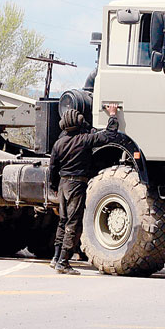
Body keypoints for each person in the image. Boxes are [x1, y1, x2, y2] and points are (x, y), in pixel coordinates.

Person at [48, 103, 122, 275]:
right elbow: (110, 135)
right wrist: (112, 115)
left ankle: (56, 257)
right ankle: (63, 262)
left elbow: (52, 168)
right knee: (74, 223)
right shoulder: (84, 140)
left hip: (63, 184)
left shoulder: (59, 144)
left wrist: (54, 186)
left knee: (63, 221)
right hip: (76, 185)